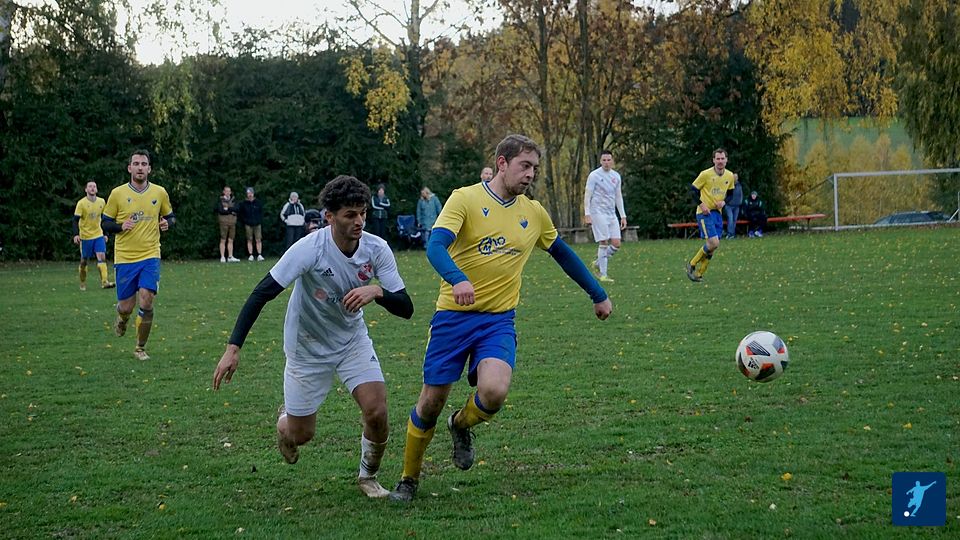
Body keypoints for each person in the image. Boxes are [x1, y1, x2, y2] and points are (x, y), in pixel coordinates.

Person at [388, 134, 613, 503]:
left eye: (535, 168)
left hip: (497, 321)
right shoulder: (465, 199)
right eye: (525, 166)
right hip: (453, 318)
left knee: (494, 392)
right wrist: (458, 278)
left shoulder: (533, 212)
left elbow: (562, 253)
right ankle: (408, 479)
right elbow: (435, 245)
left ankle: (460, 425)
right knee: (430, 402)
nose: (531, 174)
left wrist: (597, 293)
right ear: (502, 163)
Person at [212, 175, 414, 499]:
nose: (359, 221)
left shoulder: (376, 249)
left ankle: (368, 477)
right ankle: (285, 422)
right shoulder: (309, 249)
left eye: (362, 213)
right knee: (301, 434)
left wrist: (377, 291)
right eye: (350, 214)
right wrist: (232, 348)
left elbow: (406, 307)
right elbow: (262, 293)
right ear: (329, 217)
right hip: (306, 346)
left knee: (377, 410)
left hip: (351, 341)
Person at [101, 150, 175, 361]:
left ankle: (140, 348)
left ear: (149, 169)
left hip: (150, 254)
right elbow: (105, 223)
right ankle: (122, 318)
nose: (140, 167)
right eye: (136, 164)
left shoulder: (159, 192)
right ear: (129, 168)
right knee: (126, 306)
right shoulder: (117, 194)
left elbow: (171, 217)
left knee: (147, 299)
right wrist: (120, 226)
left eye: (144, 164)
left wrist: (167, 223)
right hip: (125, 258)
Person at [686, 148, 735, 282]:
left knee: (713, 246)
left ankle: (699, 274)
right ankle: (691, 264)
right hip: (704, 213)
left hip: (717, 213)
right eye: (717, 159)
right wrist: (702, 205)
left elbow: (731, 194)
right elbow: (693, 191)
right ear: (713, 160)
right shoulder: (705, 174)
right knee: (714, 242)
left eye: (722, 158)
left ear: (726, 160)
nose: (720, 161)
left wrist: (724, 202)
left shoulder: (729, 176)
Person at [583, 150, 627, 283]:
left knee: (616, 243)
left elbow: (618, 196)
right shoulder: (594, 175)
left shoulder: (616, 176)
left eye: (609, 160)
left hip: (611, 213)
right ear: (600, 161)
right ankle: (603, 274)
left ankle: (598, 262)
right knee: (603, 241)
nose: (606, 163)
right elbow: (588, 195)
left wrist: (623, 216)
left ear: (612, 161)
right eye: (604, 160)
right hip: (597, 212)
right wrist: (587, 213)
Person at [72, 181, 115, 291]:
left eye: (94, 186)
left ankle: (105, 282)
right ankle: (82, 282)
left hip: (98, 235)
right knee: (84, 261)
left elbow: (105, 219)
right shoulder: (81, 203)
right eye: (90, 186)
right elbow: (75, 220)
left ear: (96, 189)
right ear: (86, 190)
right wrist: (76, 234)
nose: (92, 188)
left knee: (102, 257)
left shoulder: (101, 201)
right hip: (85, 237)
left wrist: (105, 234)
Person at [238, 187, 265, 261]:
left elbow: (261, 212)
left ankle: (259, 254)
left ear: (253, 194)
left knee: (258, 239)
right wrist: (245, 221)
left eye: (251, 193)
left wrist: (259, 220)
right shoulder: (244, 203)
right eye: (248, 193)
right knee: (249, 239)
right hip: (248, 224)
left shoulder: (258, 202)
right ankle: (251, 254)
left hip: (257, 223)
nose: (250, 195)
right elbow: (241, 214)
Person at [216, 186, 240, 263]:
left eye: (229, 191)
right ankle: (222, 256)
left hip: (232, 222)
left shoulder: (233, 200)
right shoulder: (220, 200)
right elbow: (221, 210)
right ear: (223, 192)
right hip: (224, 222)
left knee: (231, 239)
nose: (228, 193)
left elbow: (237, 209)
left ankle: (230, 256)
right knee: (223, 239)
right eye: (226, 191)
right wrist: (231, 211)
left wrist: (228, 209)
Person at [724, 173, 743, 239]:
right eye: (734, 177)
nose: (735, 178)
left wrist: (740, 202)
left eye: (736, 177)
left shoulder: (739, 185)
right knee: (730, 219)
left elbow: (741, 194)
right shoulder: (728, 184)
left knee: (734, 220)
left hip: (737, 206)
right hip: (729, 205)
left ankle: (732, 234)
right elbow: (725, 194)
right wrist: (726, 201)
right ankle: (729, 233)